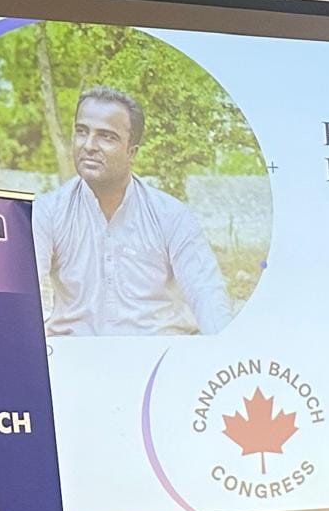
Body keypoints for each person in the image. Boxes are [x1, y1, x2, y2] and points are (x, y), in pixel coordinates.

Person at [33, 86, 233, 337]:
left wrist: (223, 354)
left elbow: (207, 293)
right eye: (82, 132)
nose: (89, 145)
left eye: (107, 136)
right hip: (77, 361)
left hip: (160, 360)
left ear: (132, 152)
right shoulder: (48, 212)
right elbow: (22, 295)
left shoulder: (170, 215)